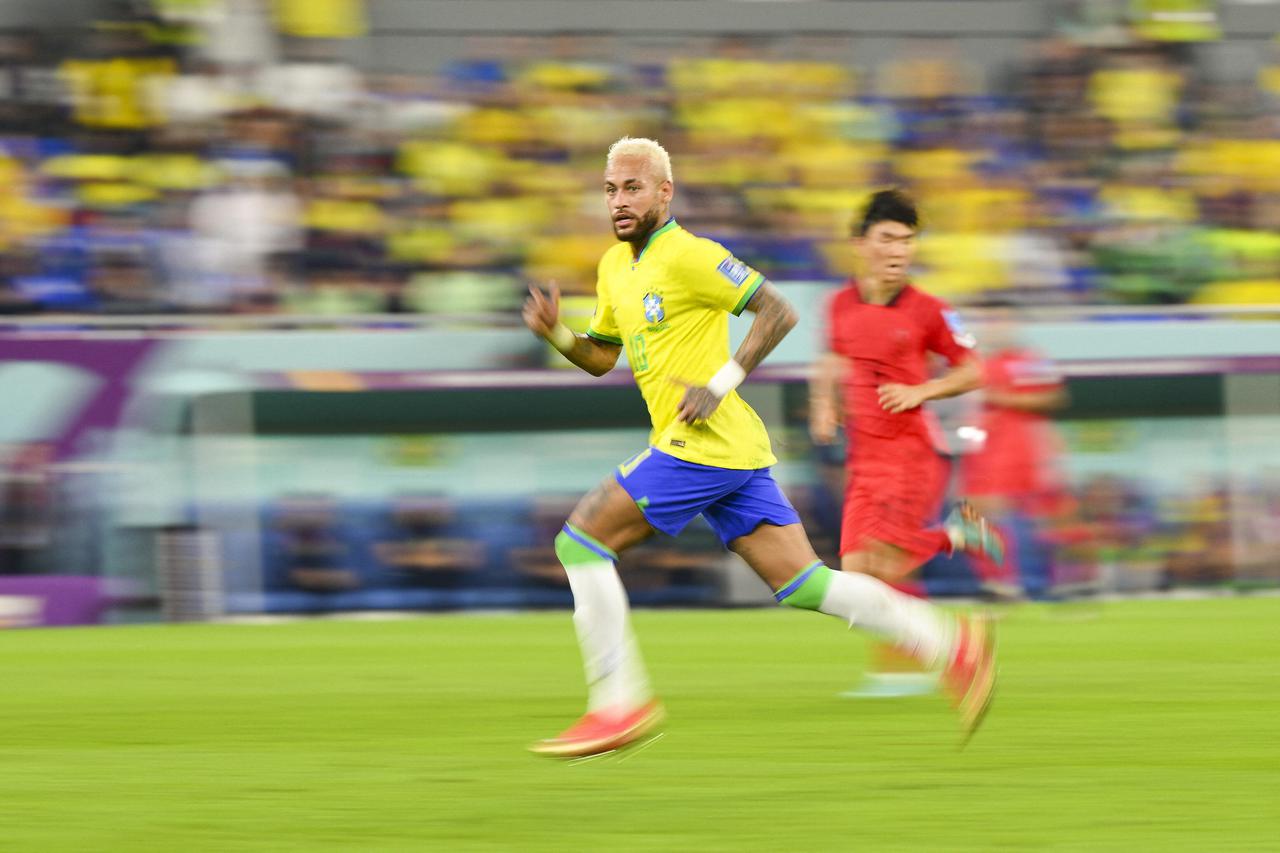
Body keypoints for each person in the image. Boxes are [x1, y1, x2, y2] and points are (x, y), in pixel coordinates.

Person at [521, 139, 996, 758]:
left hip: (701, 444)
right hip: (729, 451)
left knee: (578, 541)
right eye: (611, 188)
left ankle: (619, 703)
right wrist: (557, 333)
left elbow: (778, 311)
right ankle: (951, 645)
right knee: (807, 584)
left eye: (633, 187)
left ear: (665, 193)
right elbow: (602, 356)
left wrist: (719, 385)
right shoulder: (616, 267)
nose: (619, 200)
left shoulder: (691, 256)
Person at [808, 189, 1005, 697]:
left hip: (908, 454)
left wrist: (922, 389)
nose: (899, 251)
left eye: (907, 241)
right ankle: (954, 537)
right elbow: (831, 358)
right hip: (862, 457)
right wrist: (823, 404)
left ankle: (929, 654)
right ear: (861, 244)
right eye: (888, 239)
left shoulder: (931, 311)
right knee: (857, 582)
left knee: (880, 571)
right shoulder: (837, 305)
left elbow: (975, 371)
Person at [960, 304, 1070, 600]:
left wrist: (1001, 397)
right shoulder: (972, 363)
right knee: (976, 513)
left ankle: (1062, 580)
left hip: (1023, 448)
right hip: (983, 450)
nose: (995, 326)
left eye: (1001, 320)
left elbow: (1055, 397)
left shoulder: (1028, 359)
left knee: (1043, 517)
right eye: (989, 319)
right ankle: (999, 583)